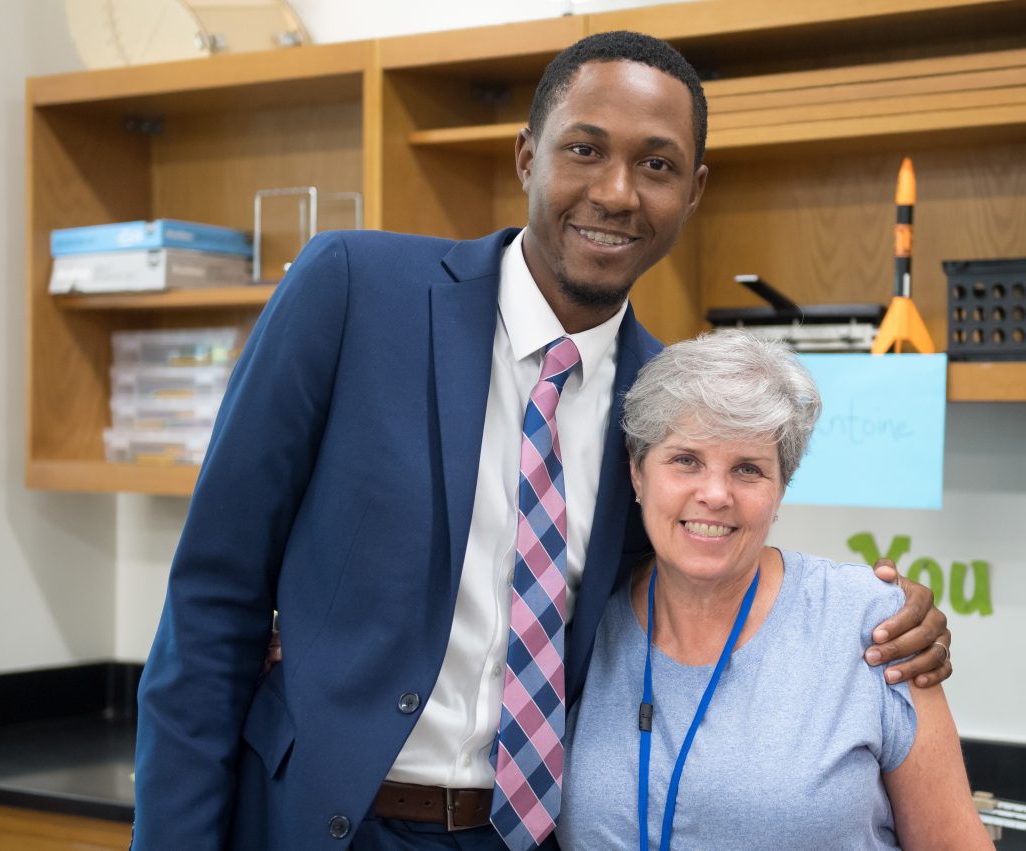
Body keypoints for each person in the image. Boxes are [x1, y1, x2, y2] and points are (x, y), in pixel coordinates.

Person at [132, 31, 953, 851]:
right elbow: (214, 599)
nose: (618, 192)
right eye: (585, 149)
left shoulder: (664, 405)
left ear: (693, 190)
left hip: (524, 836)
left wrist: (882, 622)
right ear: (527, 157)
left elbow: (706, 561)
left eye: (657, 165)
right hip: (314, 825)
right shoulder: (351, 291)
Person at [558, 330, 988, 850]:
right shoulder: (580, 624)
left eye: (748, 469)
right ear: (637, 471)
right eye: (685, 460)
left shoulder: (871, 625)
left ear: (781, 488)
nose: (715, 494)